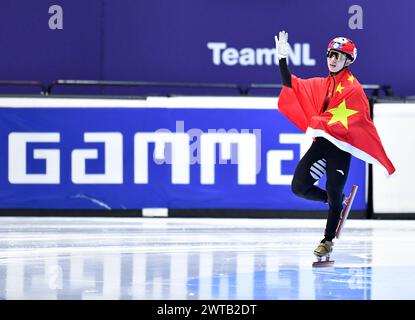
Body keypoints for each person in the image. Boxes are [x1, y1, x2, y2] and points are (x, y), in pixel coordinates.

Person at [274, 31, 395, 260]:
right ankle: (334, 202)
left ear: (348, 61)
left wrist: (320, 122)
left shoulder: (353, 88)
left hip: (340, 147)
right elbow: (291, 84)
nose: (332, 59)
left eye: (338, 56)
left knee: (334, 188)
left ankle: (327, 241)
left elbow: (360, 121)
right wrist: (282, 59)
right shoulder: (323, 84)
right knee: (299, 187)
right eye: (330, 54)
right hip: (322, 144)